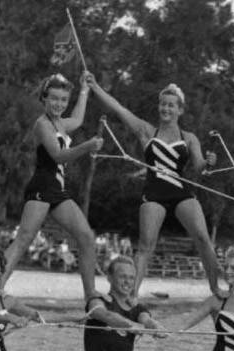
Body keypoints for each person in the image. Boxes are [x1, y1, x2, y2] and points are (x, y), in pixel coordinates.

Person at [85, 73, 221, 297]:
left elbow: (199, 167)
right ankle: (132, 295)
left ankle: (216, 288)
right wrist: (95, 87)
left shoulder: (189, 138)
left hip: (180, 192)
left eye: (171, 105)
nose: (166, 109)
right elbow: (119, 109)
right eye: (163, 104)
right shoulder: (147, 131)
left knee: (203, 237)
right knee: (146, 245)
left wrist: (209, 162)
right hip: (154, 192)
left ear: (180, 110)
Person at [1, 72, 103, 299]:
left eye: (63, 100)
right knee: (24, 239)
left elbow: (77, 119)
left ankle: (91, 296)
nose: (59, 104)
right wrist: (87, 146)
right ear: (44, 99)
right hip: (42, 186)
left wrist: (84, 90)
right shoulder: (42, 124)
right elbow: (58, 156)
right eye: (54, 98)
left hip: (58, 191)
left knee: (86, 236)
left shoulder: (61, 124)